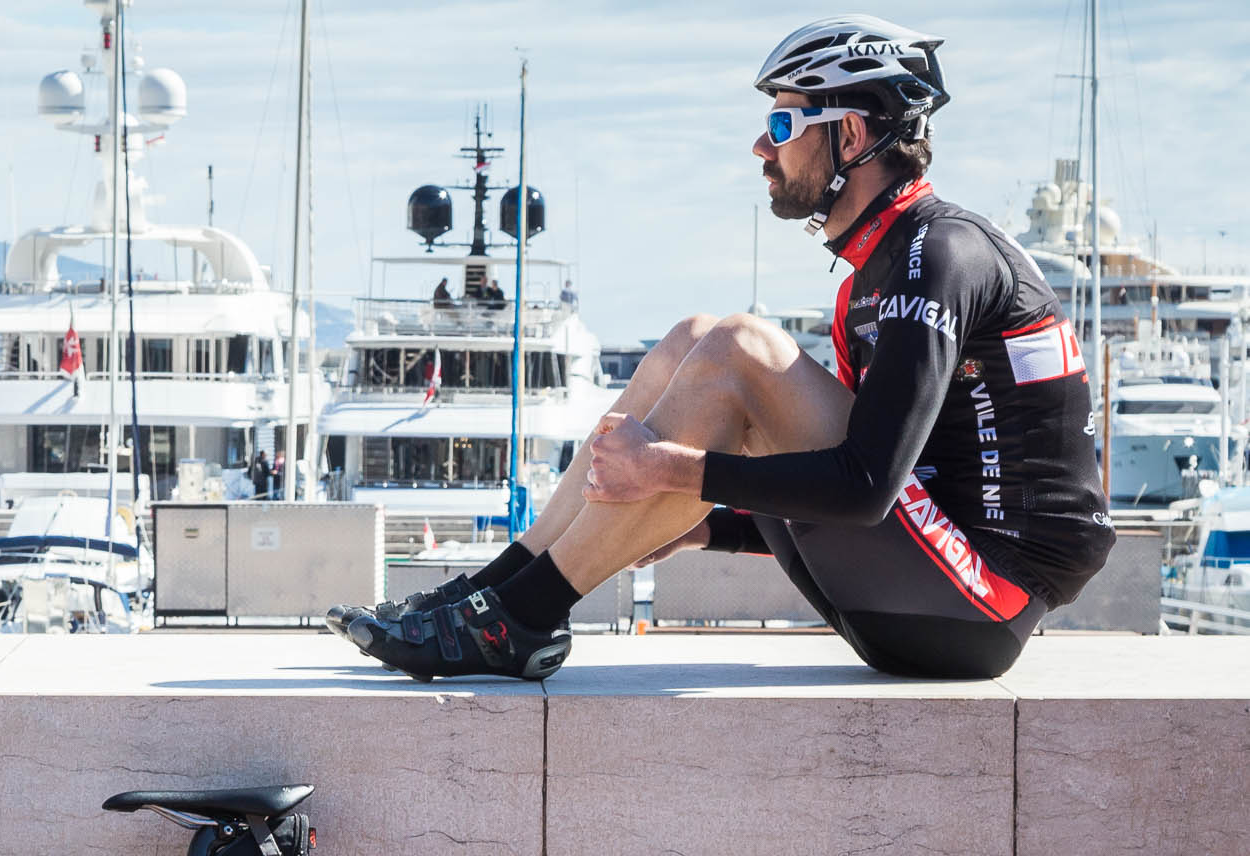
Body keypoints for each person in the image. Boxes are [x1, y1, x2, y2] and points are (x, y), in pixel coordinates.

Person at [330, 15, 1112, 683]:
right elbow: (868, 481)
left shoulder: (939, 256)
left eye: (782, 125)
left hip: (981, 608)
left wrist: (671, 470)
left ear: (850, 132)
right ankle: (490, 595)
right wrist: (709, 525)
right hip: (925, 600)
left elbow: (869, 486)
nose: (759, 148)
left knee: (738, 345)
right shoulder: (879, 270)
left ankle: (519, 620)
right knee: (696, 341)